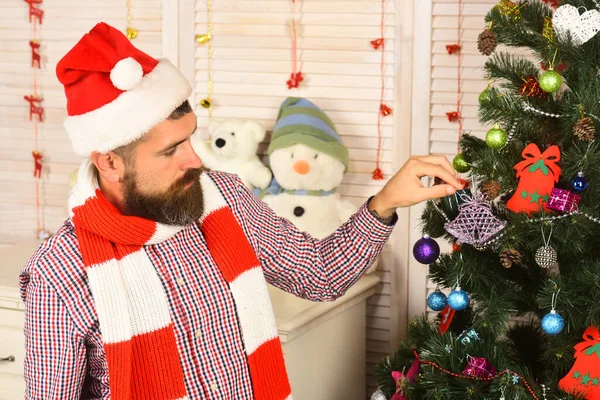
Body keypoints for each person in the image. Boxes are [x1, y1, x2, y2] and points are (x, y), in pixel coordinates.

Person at [19, 22, 462, 400]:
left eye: (191, 138)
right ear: (110, 162)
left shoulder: (223, 197)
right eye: (171, 150)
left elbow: (321, 273)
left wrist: (384, 203)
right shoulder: (59, 274)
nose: (194, 159)